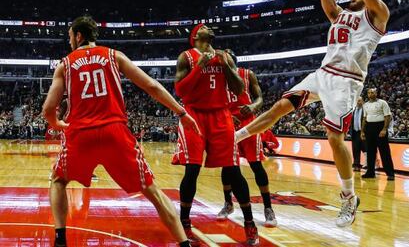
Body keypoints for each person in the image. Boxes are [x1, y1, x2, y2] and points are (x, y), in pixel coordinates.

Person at [234, 0, 389, 227]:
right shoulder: (339, 15)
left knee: (334, 138)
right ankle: (235, 137)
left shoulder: (377, 13)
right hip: (322, 74)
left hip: (346, 81)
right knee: (280, 106)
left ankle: (349, 197)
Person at [43, 15, 200, 247]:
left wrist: (56, 124)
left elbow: (49, 108)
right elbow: (151, 86)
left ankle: (60, 239)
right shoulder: (114, 56)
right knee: (152, 191)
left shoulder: (65, 64)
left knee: (58, 180)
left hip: (81, 133)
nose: (69, 42)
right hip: (114, 132)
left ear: (78, 35)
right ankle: (184, 243)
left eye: (70, 37)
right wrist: (182, 113)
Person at [172, 24, 258, 246]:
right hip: (194, 115)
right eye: (204, 28)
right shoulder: (186, 57)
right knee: (192, 170)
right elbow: (180, 90)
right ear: (195, 37)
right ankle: (184, 222)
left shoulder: (224, 57)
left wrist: (226, 66)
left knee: (233, 170)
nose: (209, 28)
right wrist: (199, 67)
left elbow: (240, 90)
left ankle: (250, 223)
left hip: (220, 114)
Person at [216, 49, 277, 227]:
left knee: (256, 165)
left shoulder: (247, 74)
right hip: (228, 125)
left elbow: (260, 99)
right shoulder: (218, 78)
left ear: (232, 59)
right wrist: (224, 115)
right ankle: (228, 203)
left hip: (249, 124)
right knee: (228, 167)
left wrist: (252, 106)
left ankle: (268, 208)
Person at [361, 88, 395, 180]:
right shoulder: (365, 105)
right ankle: (370, 172)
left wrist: (384, 129)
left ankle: (390, 173)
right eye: (369, 93)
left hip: (380, 127)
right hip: (369, 128)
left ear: (376, 93)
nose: (370, 94)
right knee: (370, 152)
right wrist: (362, 131)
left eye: (372, 92)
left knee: (385, 152)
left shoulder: (383, 103)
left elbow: (387, 116)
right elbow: (364, 118)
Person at [351, 97, 366, 172]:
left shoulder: (365, 110)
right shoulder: (353, 110)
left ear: (363, 102)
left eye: (360, 101)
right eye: (357, 101)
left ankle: (370, 165)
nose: (358, 102)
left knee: (366, 149)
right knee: (355, 149)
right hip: (355, 132)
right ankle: (356, 165)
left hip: (363, 132)